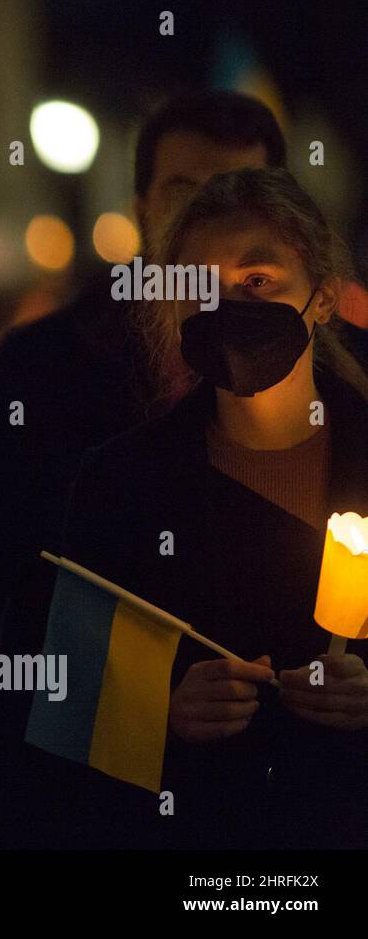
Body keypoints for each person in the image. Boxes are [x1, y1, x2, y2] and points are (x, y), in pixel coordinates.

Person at [0, 91, 287, 847]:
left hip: (284, 799)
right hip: (82, 800)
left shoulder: (337, 375)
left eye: (235, 193)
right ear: (143, 203)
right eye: (186, 193)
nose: (209, 219)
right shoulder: (44, 369)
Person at [54, 168, 368, 848]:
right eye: (201, 288)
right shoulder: (121, 482)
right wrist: (160, 711)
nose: (230, 309)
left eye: (258, 281)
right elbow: (67, 708)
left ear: (320, 296)